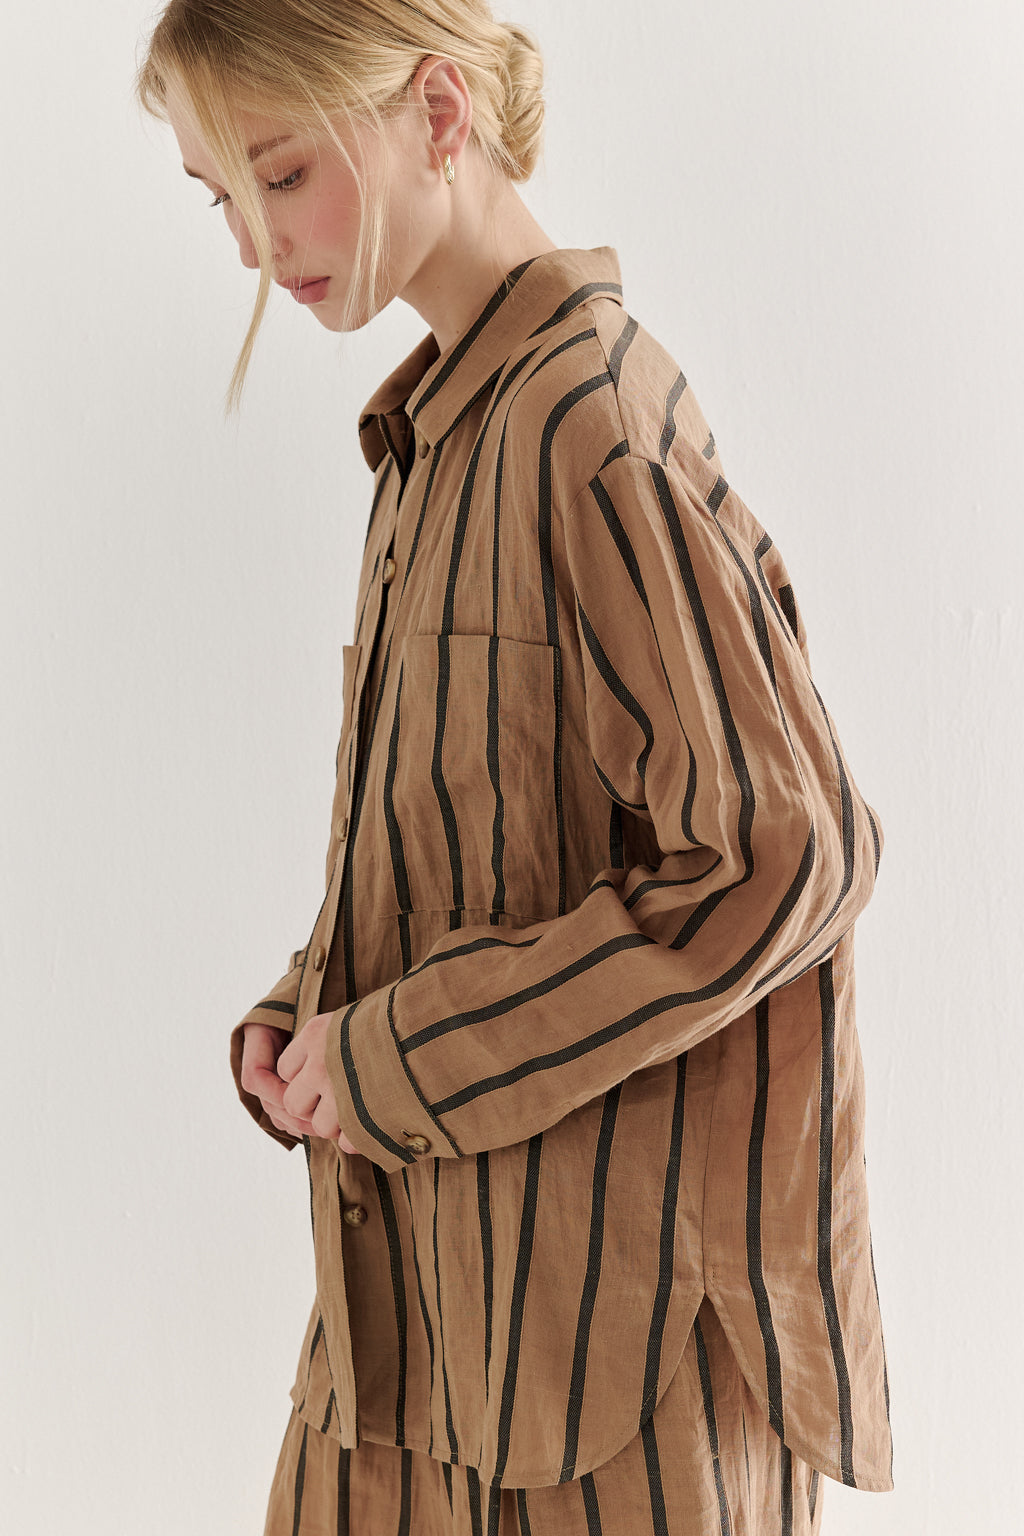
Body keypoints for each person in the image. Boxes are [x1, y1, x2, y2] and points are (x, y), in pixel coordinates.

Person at [137, 3, 893, 1532]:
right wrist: (317, 1012)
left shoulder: (588, 426)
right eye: (223, 196)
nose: (249, 247)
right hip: (430, 1308)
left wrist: (396, 1056)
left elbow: (783, 856)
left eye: (279, 175)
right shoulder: (444, 431)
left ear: (437, 111)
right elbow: (478, 841)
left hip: (609, 1357)